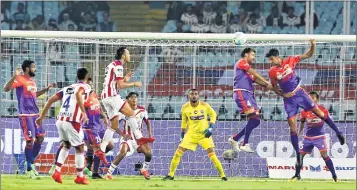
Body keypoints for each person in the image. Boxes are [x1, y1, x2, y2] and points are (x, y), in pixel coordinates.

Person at [267, 39, 345, 166]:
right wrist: (283, 94)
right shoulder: (272, 72)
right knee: (292, 126)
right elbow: (274, 87)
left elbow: (308, 55)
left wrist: (313, 45)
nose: (270, 62)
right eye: (269, 60)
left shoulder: (291, 60)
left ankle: (338, 132)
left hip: (300, 93)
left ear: (277, 57)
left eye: (271, 59)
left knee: (319, 113)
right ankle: (298, 155)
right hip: (289, 99)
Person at [36, 68, 92, 184]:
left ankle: (57, 171)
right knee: (80, 148)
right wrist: (83, 112)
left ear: (77, 77)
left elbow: (50, 100)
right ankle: (80, 176)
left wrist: (42, 117)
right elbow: (78, 93)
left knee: (66, 145)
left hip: (60, 120)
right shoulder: (86, 87)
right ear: (86, 77)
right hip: (72, 120)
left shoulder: (67, 88)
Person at [3, 60, 55, 178]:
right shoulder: (20, 79)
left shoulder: (31, 81)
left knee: (40, 138)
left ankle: (30, 162)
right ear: (27, 68)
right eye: (33, 67)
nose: (35, 69)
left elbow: (34, 95)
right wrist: (14, 76)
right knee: (30, 140)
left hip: (36, 114)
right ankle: (29, 169)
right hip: (25, 115)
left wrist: (46, 89)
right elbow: (6, 88)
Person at [162, 89, 227, 181]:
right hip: (191, 134)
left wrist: (211, 127)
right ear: (189, 96)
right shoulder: (185, 107)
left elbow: (213, 115)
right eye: (192, 94)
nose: (194, 96)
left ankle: (223, 176)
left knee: (212, 155)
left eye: (196, 94)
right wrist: (182, 134)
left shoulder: (205, 105)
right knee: (177, 153)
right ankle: (171, 175)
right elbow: (184, 121)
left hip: (204, 134)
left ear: (198, 96)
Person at [99, 47, 148, 165]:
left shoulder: (112, 64)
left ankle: (101, 149)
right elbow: (120, 86)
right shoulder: (119, 65)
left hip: (105, 97)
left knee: (114, 125)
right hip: (112, 96)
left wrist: (125, 78)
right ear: (123, 55)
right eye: (128, 53)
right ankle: (139, 137)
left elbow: (114, 82)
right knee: (131, 113)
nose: (129, 54)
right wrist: (133, 83)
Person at [292, 91, 343, 182]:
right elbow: (302, 123)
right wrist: (299, 133)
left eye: (313, 97)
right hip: (307, 138)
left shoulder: (322, 109)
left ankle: (335, 176)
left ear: (317, 99)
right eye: (309, 97)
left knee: (325, 156)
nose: (310, 99)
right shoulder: (304, 111)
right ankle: (297, 175)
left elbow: (329, 121)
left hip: (319, 137)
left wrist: (337, 131)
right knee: (300, 156)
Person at [228, 48, 272, 153]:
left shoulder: (246, 72)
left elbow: (255, 79)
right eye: (253, 55)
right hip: (242, 93)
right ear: (246, 55)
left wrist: (269, 86)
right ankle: (244, 143)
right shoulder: (241, 63)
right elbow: (253, 72)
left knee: (256, 121)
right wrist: (265, 80)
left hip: (249, 95)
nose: (254, 58)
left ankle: (236, 139)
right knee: (253, 118)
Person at [106, 92, 155, 180]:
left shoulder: (142, 110)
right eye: (132, 97)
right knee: (122, 152)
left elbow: (148, 123)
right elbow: (114, 125)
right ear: (127, 99)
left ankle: (144, 169)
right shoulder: (122, 112)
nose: (134, 99)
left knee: (149, 153)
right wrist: (122, 134)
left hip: (139, 138)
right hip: (127, 138)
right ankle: (109, 173)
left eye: (136, 97)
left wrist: (150, 134)